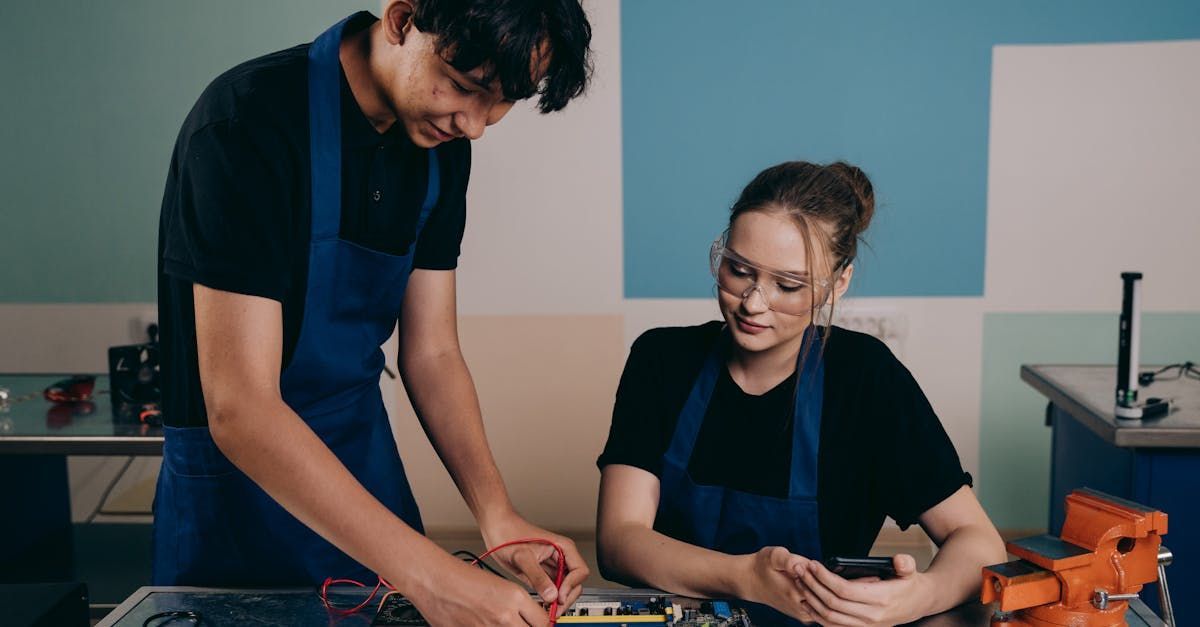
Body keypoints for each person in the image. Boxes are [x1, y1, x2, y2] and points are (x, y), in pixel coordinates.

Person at [154, 2, 593, 624]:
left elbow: (432, 353)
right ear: (401, 19)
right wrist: (432, 576)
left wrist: (498, 516)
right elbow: (241, 409)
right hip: (235, 499)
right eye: (466, 88)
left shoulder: (441, 149)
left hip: (362, 468)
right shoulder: (246, 124)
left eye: (502, 102)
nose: (475, 125)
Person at [595, 161, 1006, 626]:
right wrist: (745, 575)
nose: (753, 302)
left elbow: (979, 541)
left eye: (788, 285)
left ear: (839, 283)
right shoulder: (662, 360)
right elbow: (619, 542)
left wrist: (919, 595)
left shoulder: (866, 380)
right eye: (738, 270)